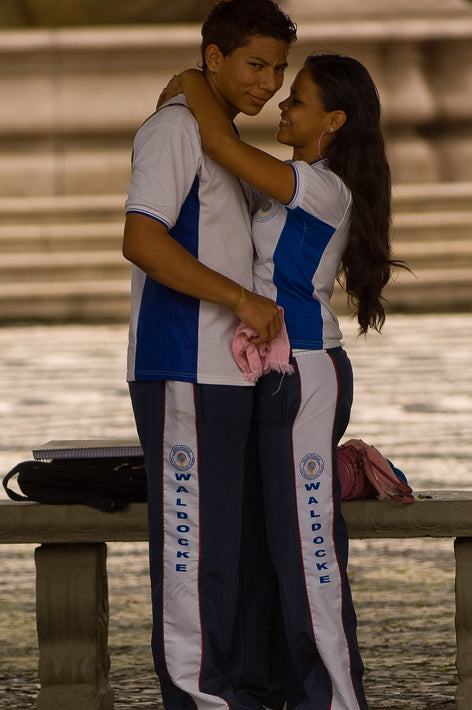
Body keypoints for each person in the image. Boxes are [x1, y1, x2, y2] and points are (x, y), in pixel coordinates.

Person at [160, 52, 403, 710]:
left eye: (296, 99)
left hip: (304, 378)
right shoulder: (289, 184)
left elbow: (216, 139)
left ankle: (337, 701)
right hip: (267, 379)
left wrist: (191, 81)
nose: (280, 106)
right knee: (271, 551)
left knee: (307, 554)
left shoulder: (321, 189)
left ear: (333, 121)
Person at [122, 2, 297, 710]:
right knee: (195, 550)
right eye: (256, 64)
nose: (270, 83)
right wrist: (242, 301)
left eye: (280, 70)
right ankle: (199, 698)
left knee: (235, 543)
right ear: (214, 58)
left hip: (235, 374)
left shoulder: (221, 135)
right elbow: (143, 239)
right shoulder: (173, 131)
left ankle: (244, 689)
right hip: (184, 365)